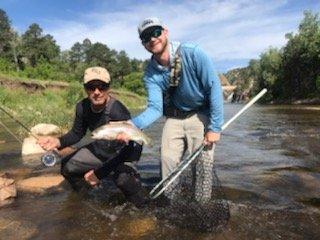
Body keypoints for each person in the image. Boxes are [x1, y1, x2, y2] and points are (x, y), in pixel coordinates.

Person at [118, 17, 223, 203]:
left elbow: (213, 88)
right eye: (146, 37)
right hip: (173, 118)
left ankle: (202, 205)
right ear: (143, 44)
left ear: (165, 32)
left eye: (156, 32)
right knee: (166, 161)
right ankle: (172, 203)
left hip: (200, 114)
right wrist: (131, 125)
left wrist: (214, 127)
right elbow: (155, 109)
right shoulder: (150, 73)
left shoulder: (193, 53)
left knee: (202, 166)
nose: (152, 39)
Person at [37, 66, 146, 207]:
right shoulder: (82, 107)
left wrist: (99, 174)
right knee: (67, 166)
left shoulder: (118, 110)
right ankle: (86, 200)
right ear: (85, 88)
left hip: (124, 153)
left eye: (102, 87)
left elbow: (128, 150)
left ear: (109, 88)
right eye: (91, 87)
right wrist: (57, 141)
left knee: (123, 180)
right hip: (101, 150)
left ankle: (141, 208)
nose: (97, 92)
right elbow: (77, 133)